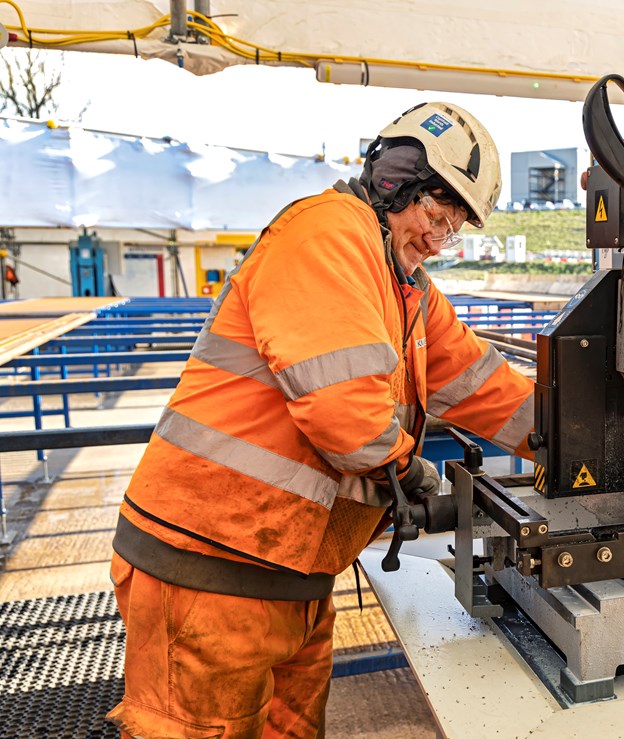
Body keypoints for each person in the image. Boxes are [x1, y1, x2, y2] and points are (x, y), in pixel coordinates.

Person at [106, 102, 535, 737]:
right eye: (436, 216)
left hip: (293, 574)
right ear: (396, 179)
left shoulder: (407, 291)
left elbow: (484, 385)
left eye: (453, 230)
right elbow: (346, 417)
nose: (437, 240)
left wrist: (579, 441)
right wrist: (408, 471)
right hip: (207, 570)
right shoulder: (327, 235)